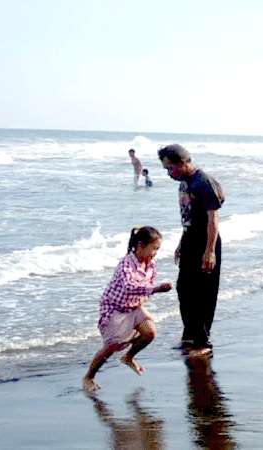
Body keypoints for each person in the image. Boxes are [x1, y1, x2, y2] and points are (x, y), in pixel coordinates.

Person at [82, 226, 173, 393]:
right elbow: (128, 287)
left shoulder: (151, 264)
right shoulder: (126, 263)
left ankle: (128, 357)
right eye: (154, 248)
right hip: (114, 308)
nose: (155, 253)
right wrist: (156, 289)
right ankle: (88, 377)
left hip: (133, 307)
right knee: (112, 347)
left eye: (157, 249)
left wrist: (149, 293)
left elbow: (146, 285)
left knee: (150, 332)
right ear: (140, 246)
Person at [159, 144, 225, 356]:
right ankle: (190, 335)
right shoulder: (184, 183)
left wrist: (210, 250)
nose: (169, 174)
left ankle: (202, 341)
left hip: (205, 242)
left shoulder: (203, 182)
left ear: (184, 162)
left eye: (171, 168)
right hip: (189, 240)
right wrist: (181, 242)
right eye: (166, 170)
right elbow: (190, 217)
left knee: (204, 292)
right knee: (184, 288)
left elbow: (213, 219)